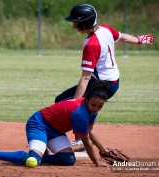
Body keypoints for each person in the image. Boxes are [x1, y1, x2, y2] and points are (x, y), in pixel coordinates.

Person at [54, 4, 153, 150]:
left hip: (101, 83)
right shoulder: (105, 29)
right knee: (74, 104)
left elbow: (85, 78)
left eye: (76, 22)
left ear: (85, 23)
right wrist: (139, 40)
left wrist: (75, 102)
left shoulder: (92, 45)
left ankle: (81, 140)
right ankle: (81, 138)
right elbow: (124, 37)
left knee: (66, 103)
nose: (74, 25)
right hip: (111, 81)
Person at [0, 80, 111, 167]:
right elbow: (86, 141)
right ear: (86, 99)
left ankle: (43, 155)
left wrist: (104, 151)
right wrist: (96, 162)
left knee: (68, 160)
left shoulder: (91, 110)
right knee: (32, 161)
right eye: (93, 105)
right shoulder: (80, 113)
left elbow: (91, 131)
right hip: (39, 124)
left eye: (100, 106)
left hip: (56, 131)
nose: (96, 109)